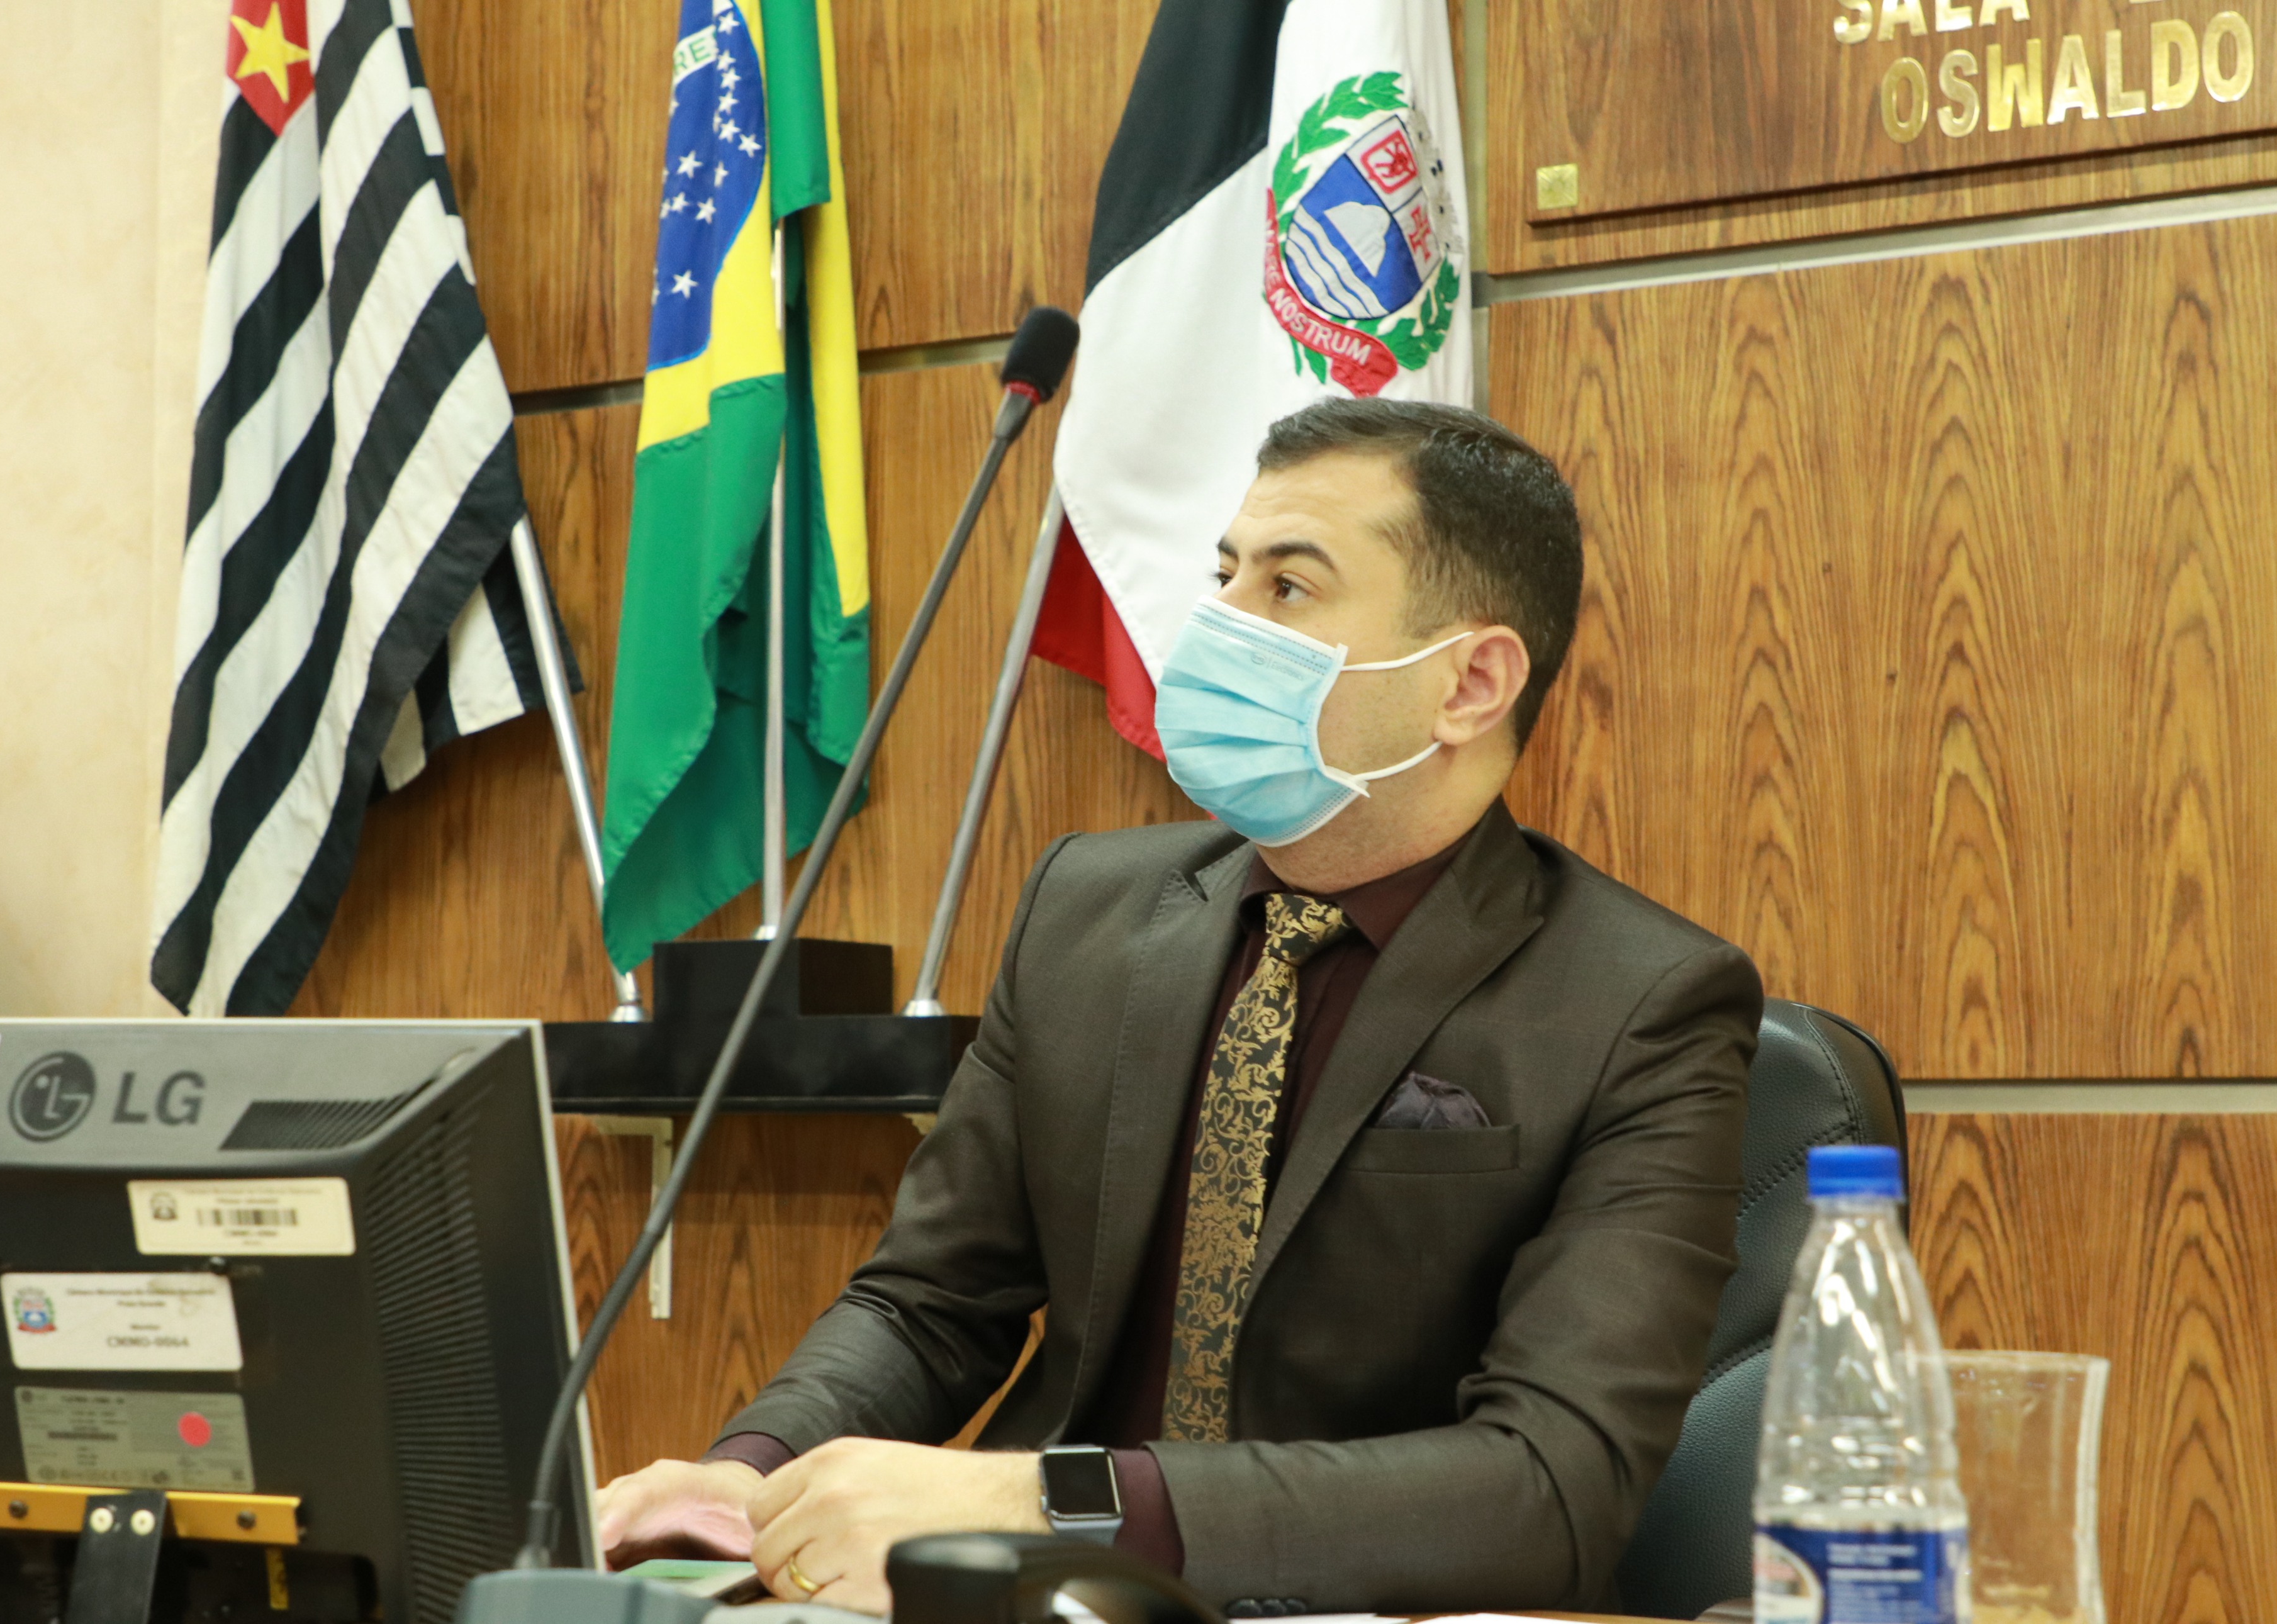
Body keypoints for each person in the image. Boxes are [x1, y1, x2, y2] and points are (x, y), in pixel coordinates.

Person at [596, 398, 1762, 1616]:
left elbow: (1549, 1488)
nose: (1216, 626)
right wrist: (751, 1474)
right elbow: (929, 1302)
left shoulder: (1643, 1003)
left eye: (1288, 588)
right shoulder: (1083, 909)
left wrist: (1060, 1501)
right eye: (1224, 575)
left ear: (1471, 682)